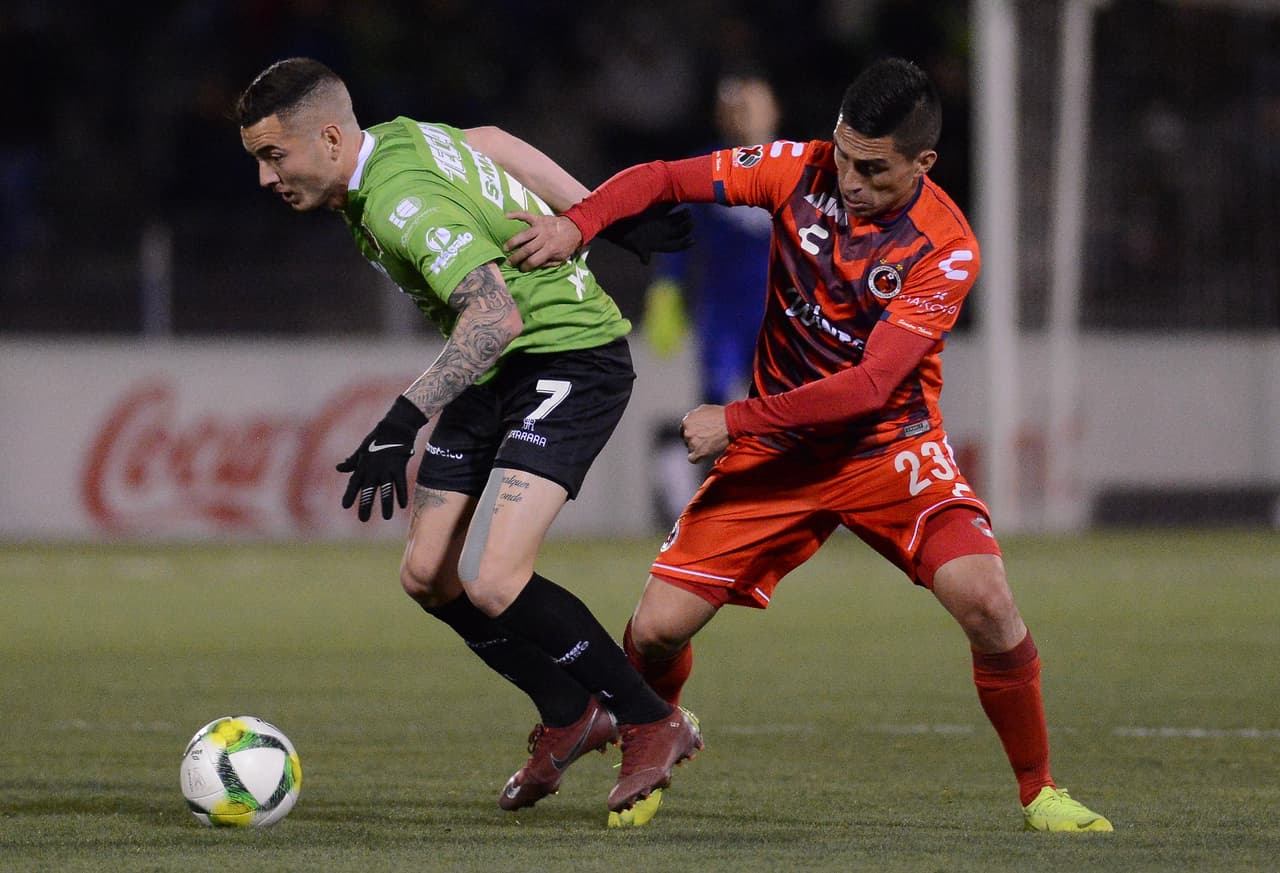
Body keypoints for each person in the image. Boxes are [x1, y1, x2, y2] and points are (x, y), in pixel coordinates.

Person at [506, 57, 1113, 833]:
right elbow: (661, 177)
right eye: (842, 152)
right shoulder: (799, 169)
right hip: (779, 459)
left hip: (886, 450)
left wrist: (736, 419)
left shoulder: (946, 248)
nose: (849, 179)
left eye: (872, 167)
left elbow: (868, 386)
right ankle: (652, 739)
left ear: (922, 163)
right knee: (656, 627)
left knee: (989, 603)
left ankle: (1040, 792)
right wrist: (576, 222)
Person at [234, 57, 702, 820]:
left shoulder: (399, 202)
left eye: (272, 156)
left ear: (326, 137)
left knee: (494, 578)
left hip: (567, 355)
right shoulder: (389, 143)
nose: (264, 177)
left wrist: (401, 420)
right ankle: (567, 709)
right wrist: (595, 210)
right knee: (427, 572)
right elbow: (487, 139)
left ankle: (650, 716)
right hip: (500, 368)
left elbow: (495, 320)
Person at [645, 74, 779, 522]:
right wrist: (666, 289)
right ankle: (711, 509)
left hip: (780, 312)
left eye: (753, 104)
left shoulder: (796, 164)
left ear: (773, 110)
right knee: (717, 404)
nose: (744, 114)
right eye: (735, 105)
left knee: (786, 403)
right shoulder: (706, 166)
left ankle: (797, 503)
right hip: (723, 310)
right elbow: (679, 236)